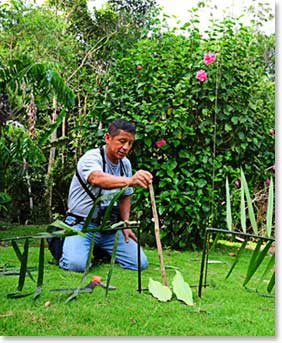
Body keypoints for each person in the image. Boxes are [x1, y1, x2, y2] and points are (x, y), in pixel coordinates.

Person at [59, 118, 153, 272]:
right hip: (81, 225)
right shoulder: (91, 157)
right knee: (76, 265)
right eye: (122, 141)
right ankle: (75, 247)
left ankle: (99, 250)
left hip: (109, 227)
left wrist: (126, 224)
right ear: (108, 138)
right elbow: (96, 178)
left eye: (130, 143)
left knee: (139, 263)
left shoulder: (125, 164)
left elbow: (125, 195)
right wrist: (130, 180)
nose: (126, 147)